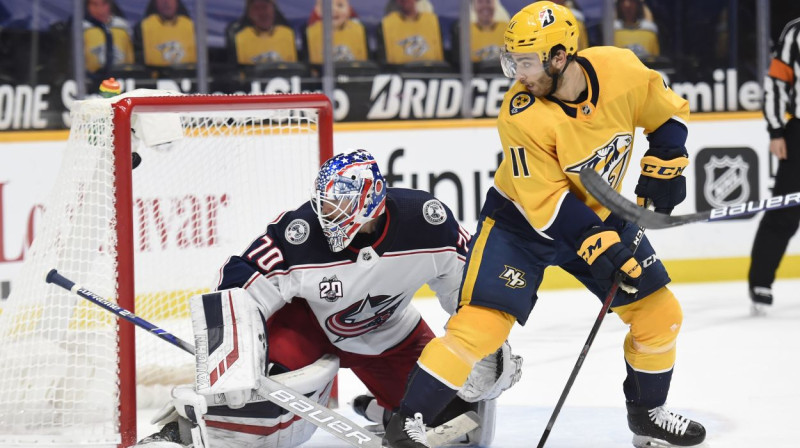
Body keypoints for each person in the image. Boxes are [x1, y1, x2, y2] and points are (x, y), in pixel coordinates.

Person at [383, 2, 706, 448]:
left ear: (559, 56)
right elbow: (548, 202)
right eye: (514, 61)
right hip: (519, 225)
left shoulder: (619, 67)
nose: (519, 73)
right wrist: (600, 243)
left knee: (659, 313)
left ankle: (647, 413)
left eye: (527, 61)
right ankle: (408, 423)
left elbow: (666, 113)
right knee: (480, 326)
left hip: (599, 214)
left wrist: (667, 160)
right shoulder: (520, 113)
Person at [136, 149, 521, 447]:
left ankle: (384, 410)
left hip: (388, 332)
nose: (326, 214)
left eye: (338, 205)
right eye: (324, 203)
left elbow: (471, 286)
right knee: (255, 414)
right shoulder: (301, 233)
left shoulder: (427, 225)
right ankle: (181, 429)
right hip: (307, 328)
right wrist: (232, 348)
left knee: (457, 422)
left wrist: (487, 342)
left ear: (370, 202)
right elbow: (241, 278)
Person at [748, 16, 800, 314]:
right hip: (799, 131)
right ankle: (760, 282)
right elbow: (777, 82)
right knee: (784, 211)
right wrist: (777, 130)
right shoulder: (795, 32)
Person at [226, 0, 298, 65]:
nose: (262, 13)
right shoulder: (240, 37)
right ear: (249, 13)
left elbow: (294, 71)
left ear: (273, 10)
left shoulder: (287, 34)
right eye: (256, 8)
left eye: (265, 7)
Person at [378, 0, 445, 65]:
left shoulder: (433, 22)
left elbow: (440, 63)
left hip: (431, 72)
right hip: (400, 73)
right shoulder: (387, 25)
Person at [134, 0, 197, 68]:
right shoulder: (142, 28)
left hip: (188, 76)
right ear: (155, 2)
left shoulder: (191, 27)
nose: (166, 2)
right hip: (155, 77)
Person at [305, 0, 369, 65]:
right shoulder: (311, 33)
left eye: (340, 5)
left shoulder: (358, 30)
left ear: (349, 9)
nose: (334, 9)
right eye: (327, 6)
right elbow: (313, 68)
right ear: (317, 10)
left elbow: (363, 65)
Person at [83, 0, 134, 76]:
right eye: (94, 4)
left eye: (104, 4)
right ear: (87, 6)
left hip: (120, 80)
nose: (100, 9)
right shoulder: (81, 29)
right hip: (91, 81)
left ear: (110, 4)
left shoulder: (122, 27)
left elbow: (130, 62)